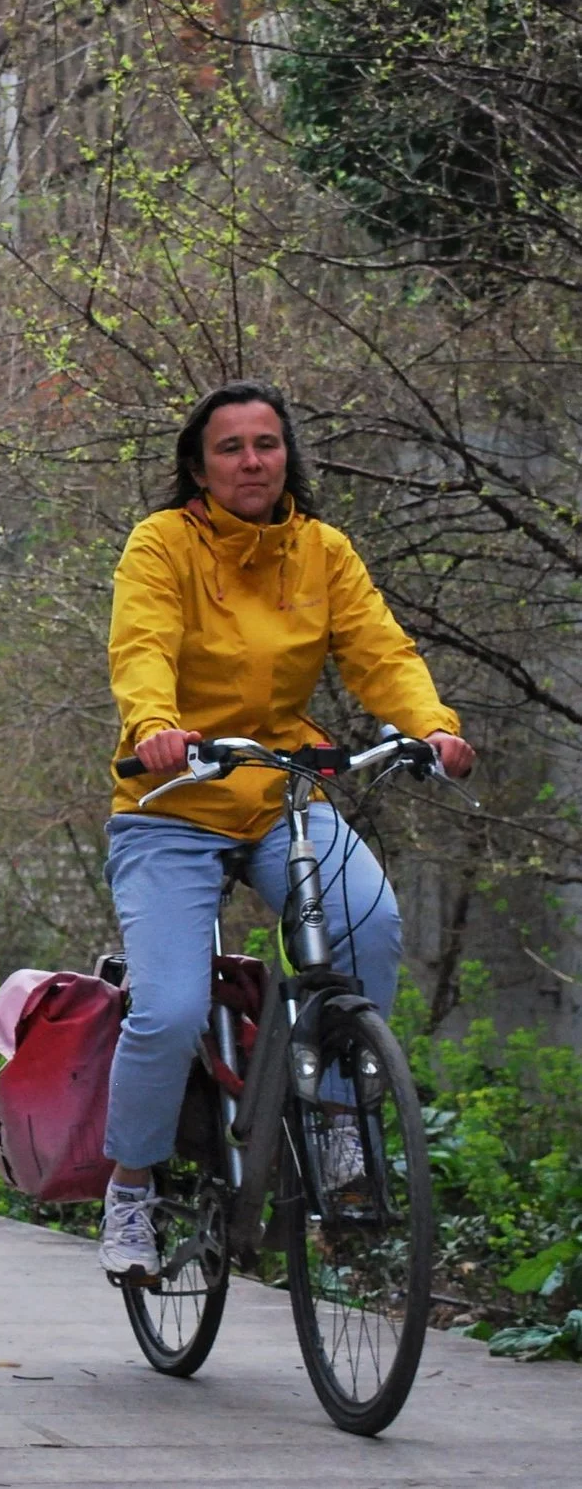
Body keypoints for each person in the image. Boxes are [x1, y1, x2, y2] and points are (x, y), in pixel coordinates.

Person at [99, 382, 476, 1281]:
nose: (252, 462)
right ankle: (131, 1186)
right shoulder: (162, 545)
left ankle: (341, 1125)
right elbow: (140, 644)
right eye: (230, 448)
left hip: (281, 791)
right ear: (199, 466)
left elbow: (380, 650)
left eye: (266, 444)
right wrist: (155, 724)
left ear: (286, 456)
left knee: (369, 923)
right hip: (172, 802)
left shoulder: (322, 550)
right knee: (170, 1008)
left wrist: (432, 726)